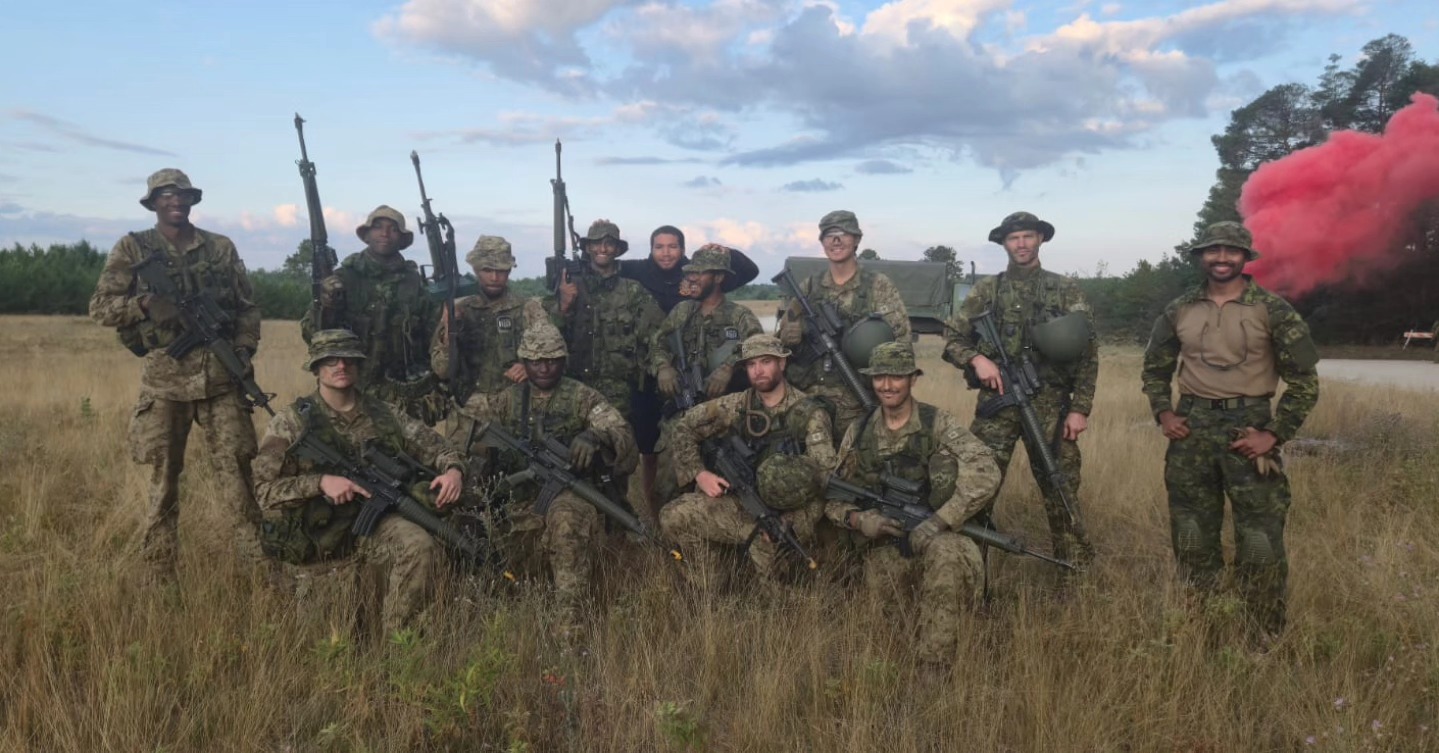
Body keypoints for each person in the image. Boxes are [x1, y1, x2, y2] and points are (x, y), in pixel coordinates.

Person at [1141, 221, 1319, 640]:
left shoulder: (1273, 310)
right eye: (1213, 251)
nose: (1221, 258)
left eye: (1231, 251)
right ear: (1201, 257)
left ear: (1245, 257)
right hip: (1192, 432)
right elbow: (1154, 368)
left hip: (1250, 430)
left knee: (1260, 541)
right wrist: (1164, 414)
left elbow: (1306, 381)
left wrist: (1274, 434)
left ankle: (1263, 635)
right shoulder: (1179, 308)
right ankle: (1204, 627)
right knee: (1191, 536)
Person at [88, 168, 267, 581]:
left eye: (182, 195)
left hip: (223, 380)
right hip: (165, 384)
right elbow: (99, 307)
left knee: (239, 477)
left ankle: (260, 570)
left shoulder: (220, 248)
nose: (176, 201)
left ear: (192, 201)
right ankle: (158, 576)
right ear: (153, 203)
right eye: (166, 195)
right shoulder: (133, 248)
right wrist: (145, 305)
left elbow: (247, 307)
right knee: (163, 481)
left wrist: (242, 349)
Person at [253, 330, 464, 636]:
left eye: (348, 359)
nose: (341, 366)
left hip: (376, 520)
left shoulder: (384, 413)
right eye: (331, 360)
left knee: (419, 544)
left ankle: (401, 643)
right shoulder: (291, 422)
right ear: (316, 368)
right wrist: (320, 482)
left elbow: (441, 448)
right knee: (329, 641)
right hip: (321, 531)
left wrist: (453, 471)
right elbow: (264, 491)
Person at [826, 341, 1002, 664]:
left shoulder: (938, 423)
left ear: (912, 379)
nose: (887, 385)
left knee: (948, 556)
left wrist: (940, 520)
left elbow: (986, 470)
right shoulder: (859, 431)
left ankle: (934, 667)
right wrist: (858, 520)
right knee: (884, 619)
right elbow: (833, 497)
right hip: (885, 545)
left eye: (896, 376)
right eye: (879, 377)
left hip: (941, 534)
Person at [941, 211, 1097, 567]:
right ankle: (967, 572)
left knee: (1060, 488)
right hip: (998, 402)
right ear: (1004, 243)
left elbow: (1088, 350)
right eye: (1014, 238)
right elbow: (952, 338)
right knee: (975, 485)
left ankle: (1075, 575)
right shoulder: (987, 290)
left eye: (1028, 236)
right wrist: (976, 360)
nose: (1022, 244)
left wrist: (1080, 408)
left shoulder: (1065, 289)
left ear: (1040, 239)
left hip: (1049, 404)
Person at [452, 323, 637, 611]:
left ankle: (569, 623)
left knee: (565, 522)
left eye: (552, 360)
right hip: (516, 497)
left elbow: (621, 431)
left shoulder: (582, 397)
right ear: (524, 362)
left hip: (568, 492)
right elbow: (463, 428)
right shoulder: (506, 399)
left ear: (563, 360)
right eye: (536, 361)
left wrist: (594, 436)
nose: (544, 368)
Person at [660, 334, 837, 588]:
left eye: (766, 362)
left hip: (786, 518)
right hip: (741, 506)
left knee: (777, 594)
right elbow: (684, 426)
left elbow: (824, 480)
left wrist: (792, 523)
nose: (758, 371)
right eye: (751, 365)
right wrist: (699, 473)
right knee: (673, 516)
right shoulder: (738, 405)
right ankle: (710, 581)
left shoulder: (808, 413)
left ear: (782, 363)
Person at [622, 226, 761, 525]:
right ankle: (666, 541)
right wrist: (663, 367)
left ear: (719, 278)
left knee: (728, 484)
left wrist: (729, 367)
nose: (692, 278)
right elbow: (658, 342)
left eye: (700, 273)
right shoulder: (683, 311)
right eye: (691, 272)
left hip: (723, 417)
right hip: (682, 413)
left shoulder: (740, 317)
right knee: (664, 485)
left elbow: (759, 350)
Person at [302, 205, 441, 422]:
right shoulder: (343, 279)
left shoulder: (415, 283)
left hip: (404, 394)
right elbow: (311, 333)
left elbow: (434, 338)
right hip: (351, 389)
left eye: (392, 229)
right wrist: (327, 305)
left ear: (402, 238)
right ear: (366, 235)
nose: (385, 233)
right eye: (377, 227)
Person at [777, 210, 910, 434]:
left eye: (843, 233)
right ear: (822, 242)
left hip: (858, 400)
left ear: (857, 239)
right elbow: (781, 342)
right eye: (829, 235)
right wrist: (788, 332)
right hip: (809, 399)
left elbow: (901, 341)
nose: (836, 240)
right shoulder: (808, 286)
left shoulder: (877, 286)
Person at [545, 219, 664, 422]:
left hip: (618, 392)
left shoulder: (633, 291)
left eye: (609, 243)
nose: (603, 248)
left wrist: (661, 368)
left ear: (617, 249)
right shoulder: (567, 286)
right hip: (571, 385)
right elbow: (544, 338)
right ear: (588, 247)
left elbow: (658, 334)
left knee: (612, 444)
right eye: (597, 243)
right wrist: (563, 305)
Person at [431, 235, 547, 400]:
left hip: (515, 405)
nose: (494, 277)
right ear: (476, 270)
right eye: (487, 270)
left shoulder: (528, 309)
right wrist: (450, 330)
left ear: (509, 271)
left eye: (501, 270)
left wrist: (529, 367)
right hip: (467, 409)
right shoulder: (459, 309)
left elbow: (554, 360)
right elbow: (442, 370)